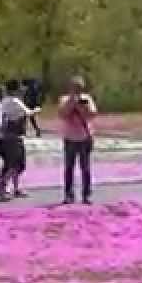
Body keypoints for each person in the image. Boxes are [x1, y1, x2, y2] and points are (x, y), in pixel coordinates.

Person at [58, 75, 98, 205]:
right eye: (75, 87)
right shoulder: (64, 99)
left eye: (79, 88)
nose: (77, 90)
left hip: (84, 137)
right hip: (70, 137)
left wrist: (82, 107)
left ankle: (86, 195)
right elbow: (62, 115)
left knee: (85, 168)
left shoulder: (87, 99)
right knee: (69, 167)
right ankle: (68, 194)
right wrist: (71, 103)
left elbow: (92, 114)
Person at [0, 79, 38, 200]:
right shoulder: (15, 101)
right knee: (18, 164)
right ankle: (2, 183)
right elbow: (28, 113)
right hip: (16, 135)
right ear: (15, 90)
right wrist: (37, 110)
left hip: (6, 135)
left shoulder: (3, 101)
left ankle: (15, 188)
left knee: (12, 162)